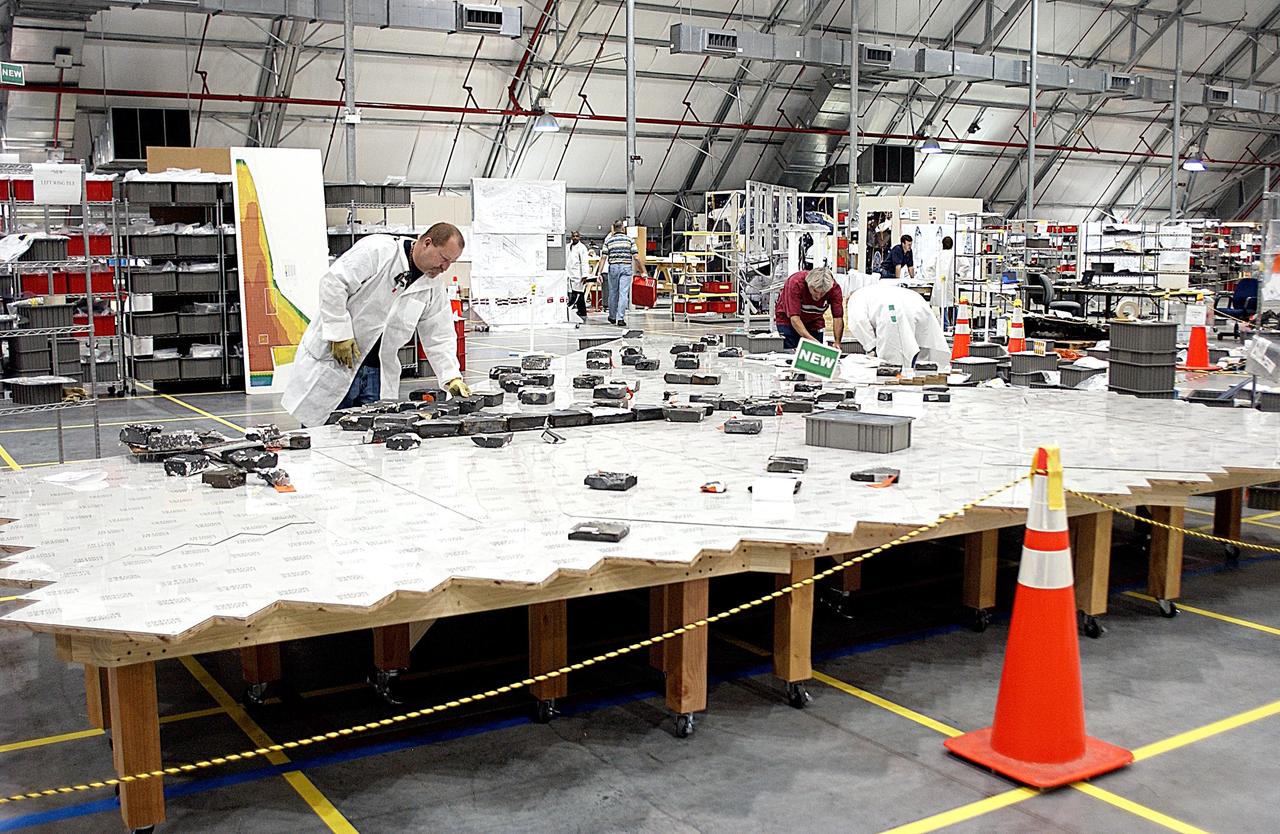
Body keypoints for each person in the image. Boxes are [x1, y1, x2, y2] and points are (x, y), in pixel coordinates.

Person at [283, 223, 468, 427]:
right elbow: (334, 284)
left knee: (371, 443)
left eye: (451, 262)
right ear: (427, 243)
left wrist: (451, 377)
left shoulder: (432, 287)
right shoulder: (379, 251)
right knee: (324, 439)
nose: (445, 268)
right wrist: (339, 332)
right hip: (338, 363)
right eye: (443, 259)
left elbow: (439, 335)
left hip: (377, 374)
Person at [846, 281, 951, 370]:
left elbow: (858, 322)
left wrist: (871, 347)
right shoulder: (872, 291)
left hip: (892, 309)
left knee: (893, 366)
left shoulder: (854, 299)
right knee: (925, 362)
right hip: (916, 301)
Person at [775, 266, 844, 351]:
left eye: (823, 293)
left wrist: (837, 342)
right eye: (815, 291)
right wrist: (811, 340)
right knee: (791, 351)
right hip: (787, 319)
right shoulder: (795, 283)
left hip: (814, 319)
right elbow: (794, 318)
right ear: (808, 285)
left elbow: (838, 317)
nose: (818, 296)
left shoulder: (834, 289)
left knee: (816, 352)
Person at [598, 220, 643, 326]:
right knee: (623, 293)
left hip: (613, 267)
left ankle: (612, 316)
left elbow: (603, 258)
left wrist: (599, 273)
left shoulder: (609, 241)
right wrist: (643, 271)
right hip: (626, 267)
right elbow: (636, 257)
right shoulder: (629, 240)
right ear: (623, 228)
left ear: (614, 228)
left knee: (613, 293)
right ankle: (621, 318)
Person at [928, 235, 958, 323]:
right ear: (952, 245)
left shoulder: (938, 255)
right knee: (953, 303)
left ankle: (945, 324)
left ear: (942, 244)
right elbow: (966, 266)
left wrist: (934, 276)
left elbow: (929, 267)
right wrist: (959, 274)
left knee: (942, 303)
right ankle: (954, 324)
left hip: (940, 282)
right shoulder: (955, 255)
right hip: (952, 282)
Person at [565, 230, 591, 325]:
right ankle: (582, 312)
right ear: (571, 237)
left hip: (578, 274)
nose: (575, 238)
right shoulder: (568, 247)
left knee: (578, 293)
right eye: (573, 236)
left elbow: (584, 262)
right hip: (569, 273)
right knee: (575, 293)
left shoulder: (582, 248)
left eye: (577, 236)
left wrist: (584, 275)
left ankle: (579, 311)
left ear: (579, 237)